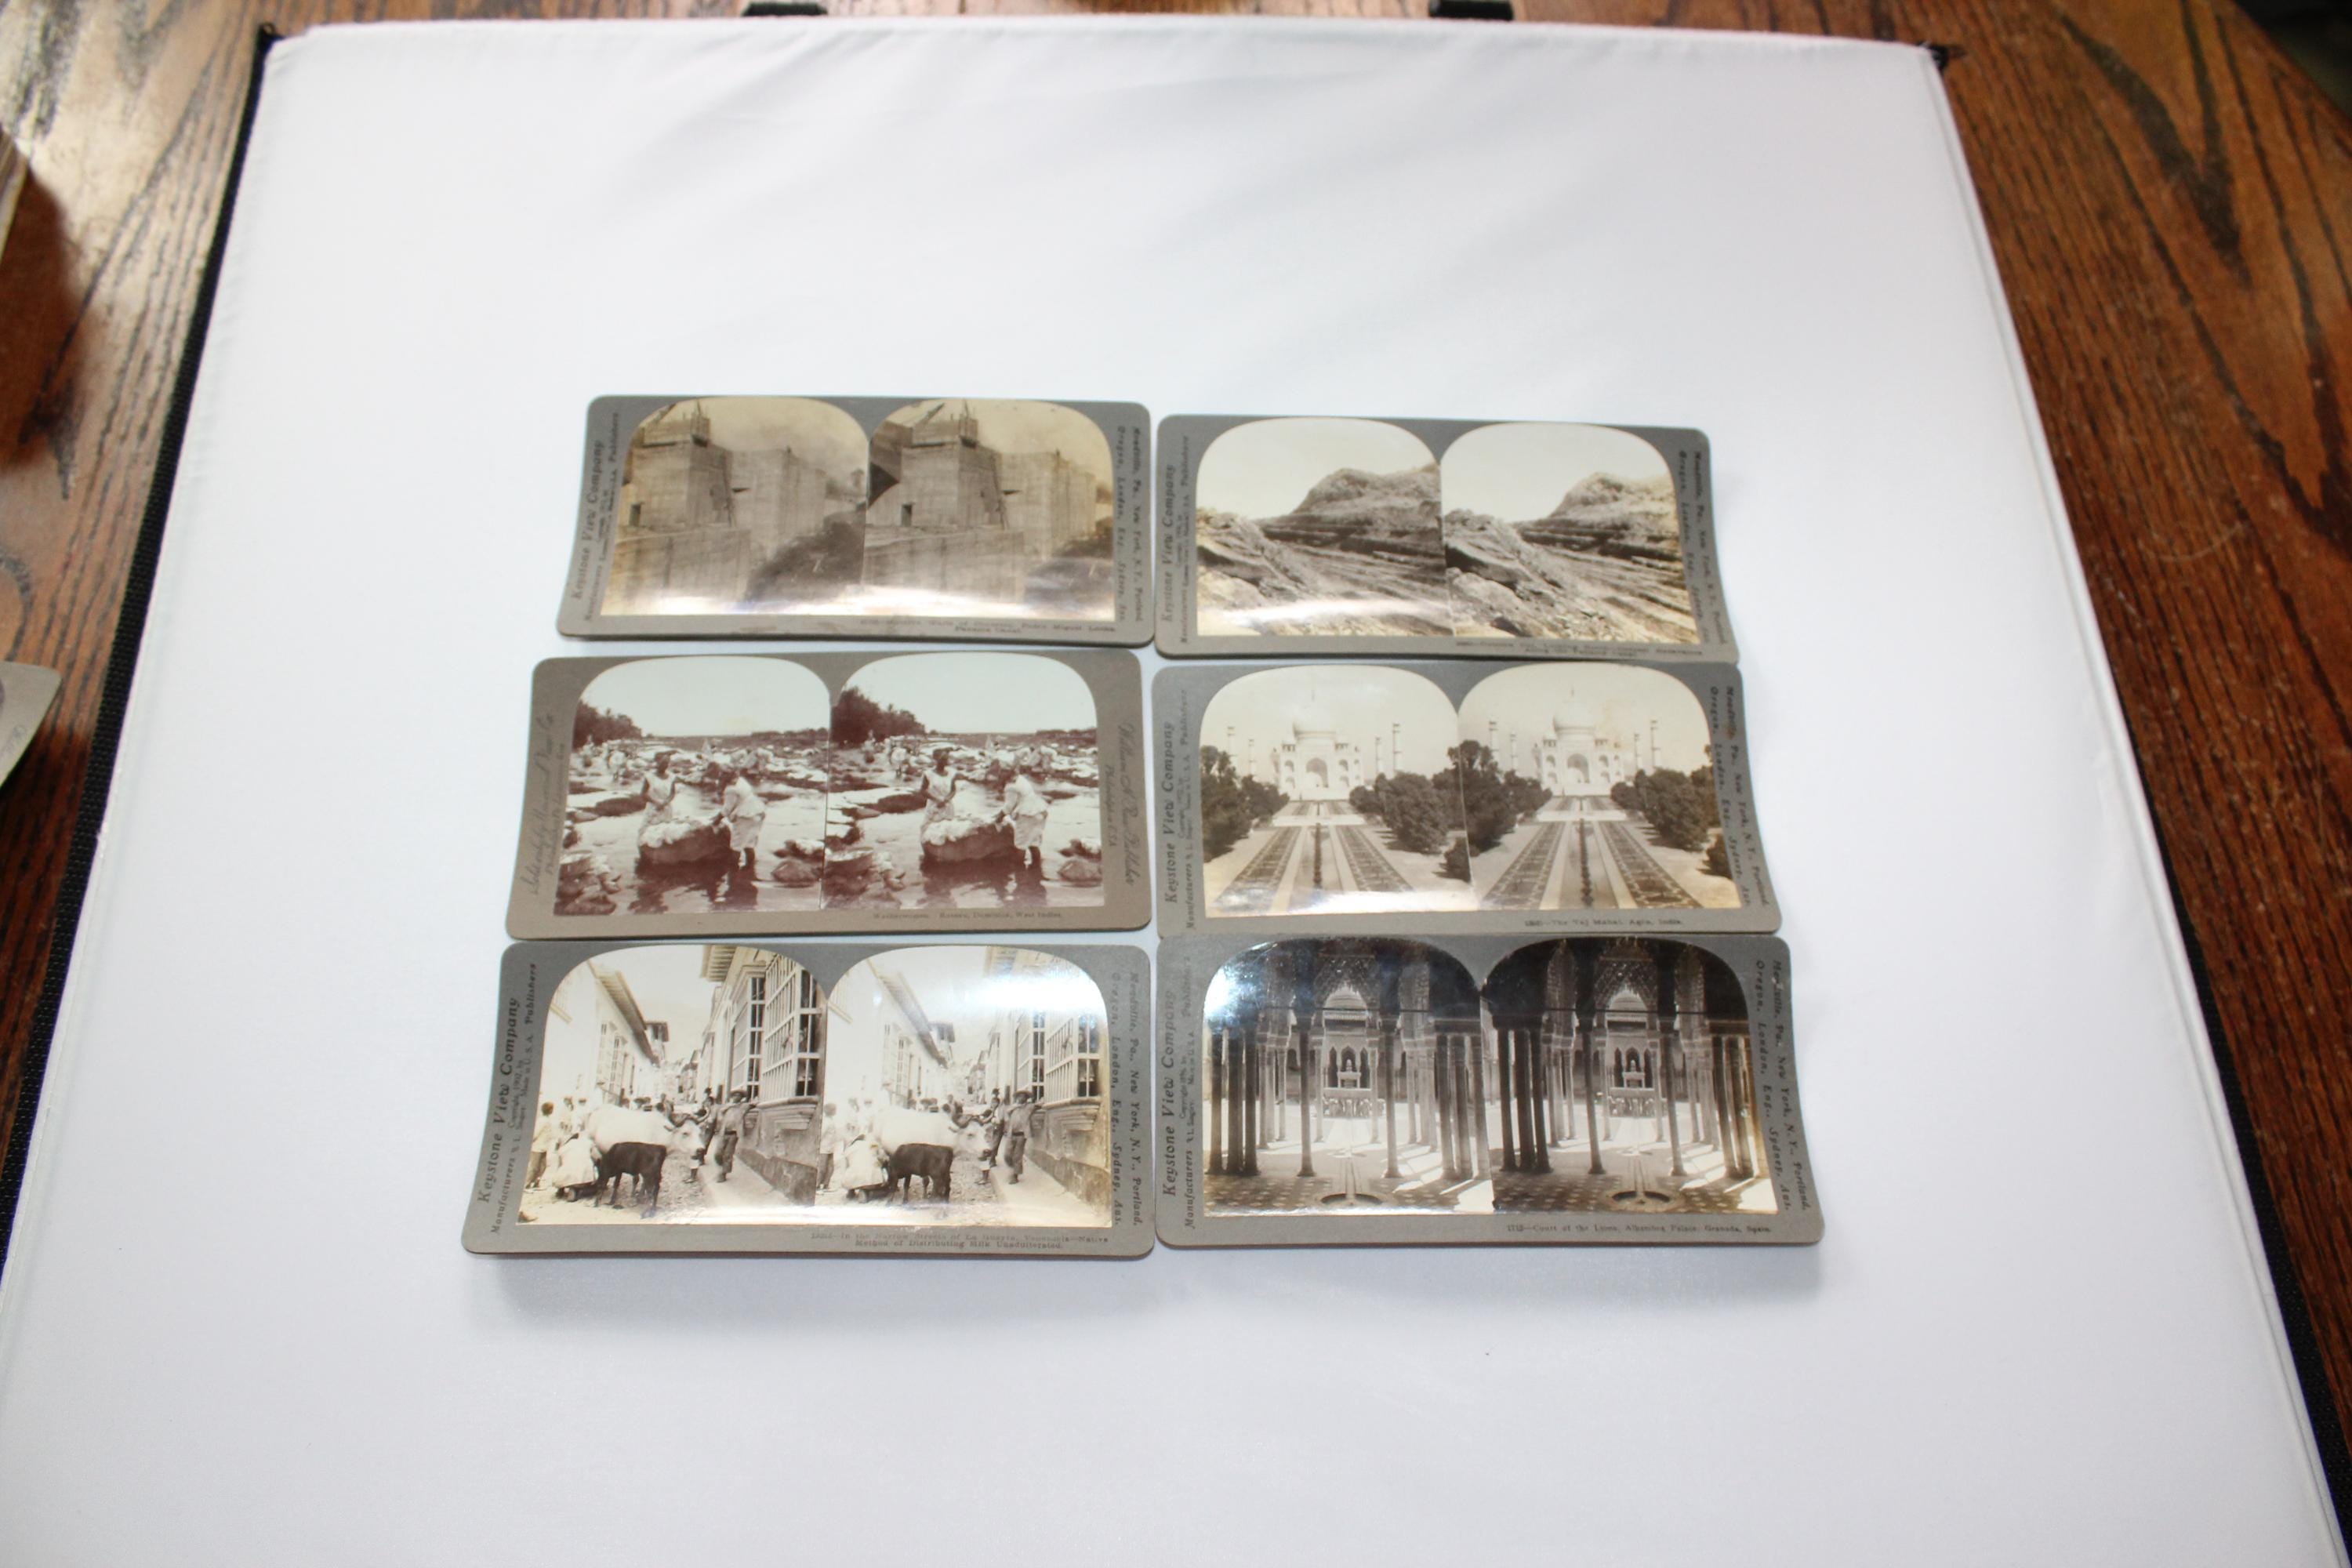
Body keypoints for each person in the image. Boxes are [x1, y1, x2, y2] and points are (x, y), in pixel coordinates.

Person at [1001, 766, 1051, 874]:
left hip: (1027, 814)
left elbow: (1009, 806)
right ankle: (1036, 870)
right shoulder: (1021, 779)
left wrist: (998, 818)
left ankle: (1019, 873)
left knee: (1021, 845)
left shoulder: (1011, 787)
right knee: (1034, 842)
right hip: (1039, 810)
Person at [720, 768, 768, 872]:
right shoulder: (741, 781)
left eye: (723, 775)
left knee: (736, 846)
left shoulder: (731, 789)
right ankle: (749, 870)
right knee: (749, 843)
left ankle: (733, 873)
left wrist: (716, 820)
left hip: (745, 816)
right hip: (758, 813)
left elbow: (727, 809)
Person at [710, 1091, 750, 1183]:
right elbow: (720, 1114)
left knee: (728, 1154)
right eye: (734, 1095)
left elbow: (754, 1105)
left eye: (739, 1095)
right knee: (717, 1154)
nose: (736, 1097)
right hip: (724, 1132)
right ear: (732, 1097)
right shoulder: (726, 1106)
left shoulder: (744, 1106)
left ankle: (723, 1174)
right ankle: (721, 1167)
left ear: (742, 1097)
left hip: (734, 1134)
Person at [1002, 1090, 1036, 1184]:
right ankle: (1012, 1169)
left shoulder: (1029, 1107)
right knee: (1007, 1155)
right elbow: (1006, 1115)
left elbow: (1039, 1105)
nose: (1021, 1098)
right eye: (1019, 1096)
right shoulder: (1013, 1107)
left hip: (1021, 1135)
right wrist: (1014, 1107)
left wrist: (1038, 1102)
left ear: (1026, 1098)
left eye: (1023, 1096)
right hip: (1011, 1134)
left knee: (1017, 1156)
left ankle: (1015, 1176)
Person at [920, 749, 959, 826]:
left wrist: (947, 799)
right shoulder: (928, 774)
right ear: (936, 759)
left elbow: (953, 790)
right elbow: (923, 790)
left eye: (946, 759)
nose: (946, 761)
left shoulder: (951, 773)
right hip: (934, 805)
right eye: (943, 759)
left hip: (947, 805)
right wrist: (936, 800)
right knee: (929, 827)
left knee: (947, 827)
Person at [642, 753, 680, 824]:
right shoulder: (649, 776)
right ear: (657, 762)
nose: (665, 765)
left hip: (666, 808)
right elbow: (643, 793)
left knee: (666, 828)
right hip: (653, 808)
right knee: (649, 828)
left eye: (667, 763)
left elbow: (672, 793)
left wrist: (666, 802)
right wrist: (656, 802)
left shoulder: (671, 777)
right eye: (663, 763)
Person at [528, 1102, 557, 1188]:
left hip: (544, 1147)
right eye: (552, 1109)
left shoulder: (547, 1120)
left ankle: (536, 1183)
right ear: (549, 1110)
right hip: (537, 1147)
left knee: (543, 1166)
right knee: (534, 1167)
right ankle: (526, 1184)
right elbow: (535, 1133)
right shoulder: (542, 1120)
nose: (553, 1110)